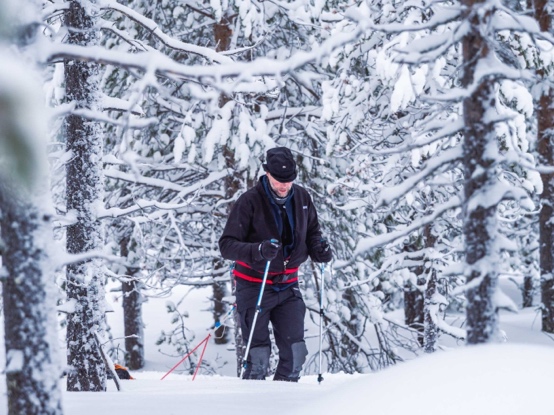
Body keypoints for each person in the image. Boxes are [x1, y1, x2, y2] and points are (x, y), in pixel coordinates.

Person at [219, 146, 332, 382]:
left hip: (288, 285)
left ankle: (283, 403)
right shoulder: (249, 201)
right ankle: (254, 405)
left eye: (289, 180)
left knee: (295, 356)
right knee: (258, 360)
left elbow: (312, 233)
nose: (284, 185)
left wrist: (319, 250)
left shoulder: (302, 197)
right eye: (279, 180)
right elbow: (227, 245)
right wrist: (257, 250)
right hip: (254, 287)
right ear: (267, 173)